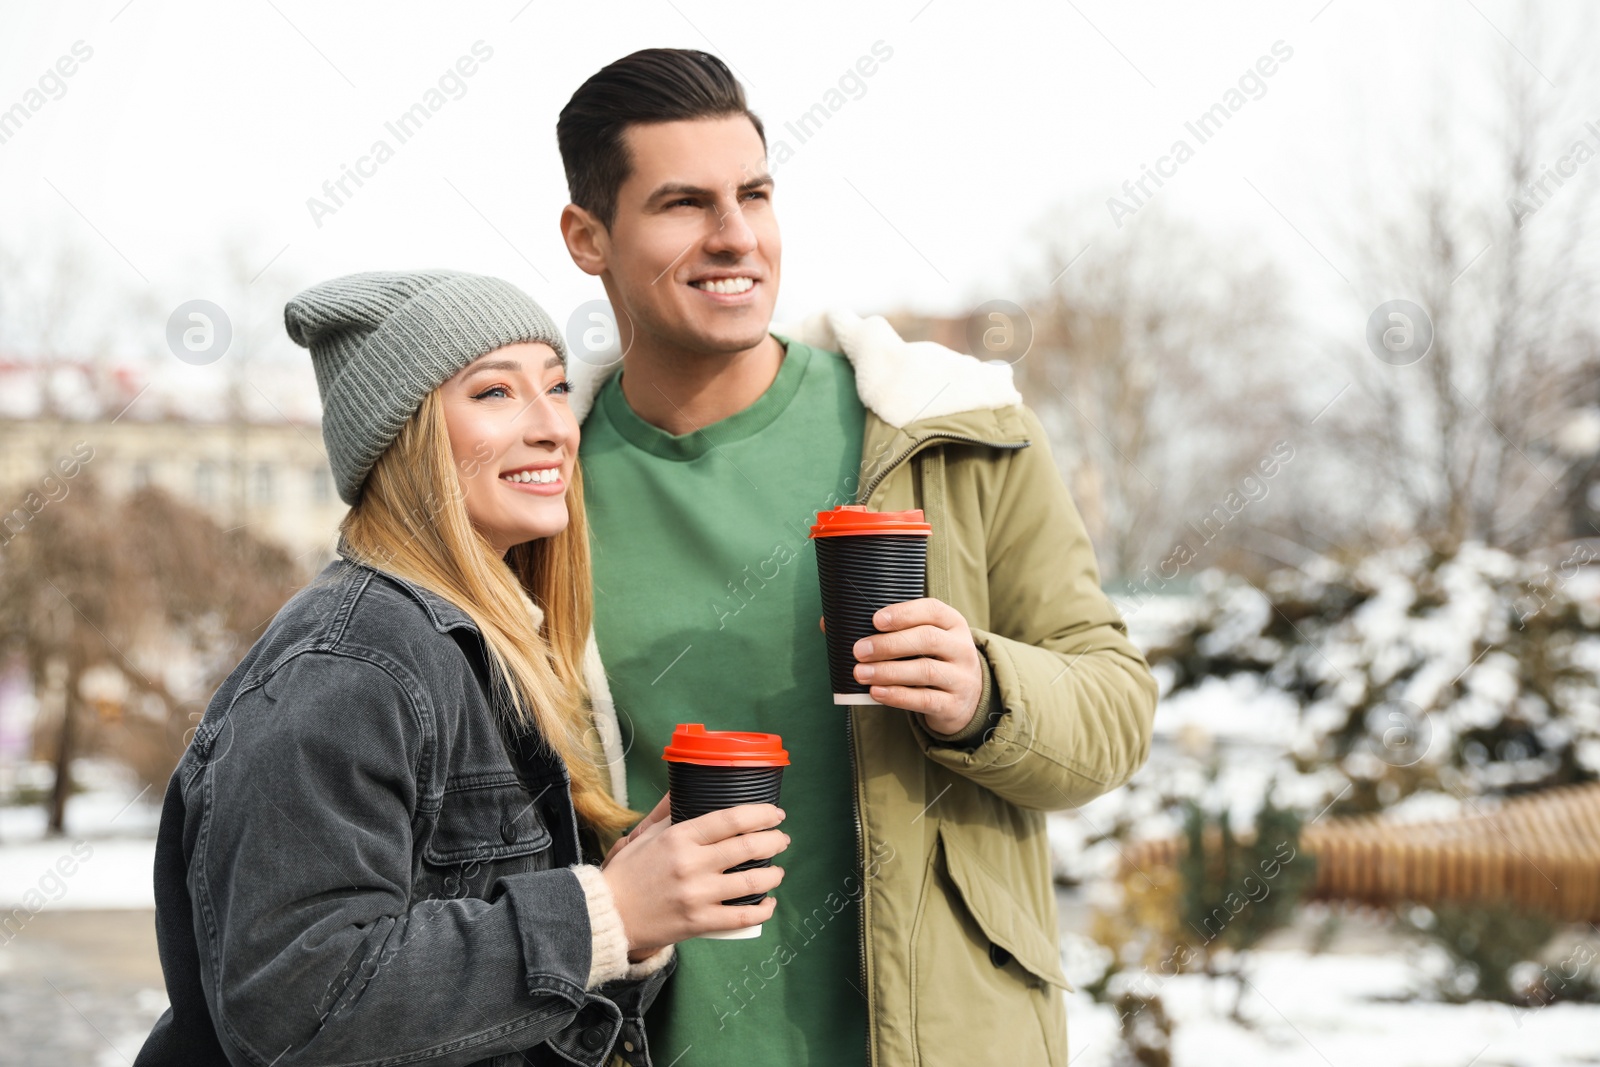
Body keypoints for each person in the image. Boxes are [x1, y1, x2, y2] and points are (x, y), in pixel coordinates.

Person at [555, 50, 1161, 1066]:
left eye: (753, 193)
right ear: (588, 238)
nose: (735, 235)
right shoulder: (541, 496)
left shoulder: (948, 427)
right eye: (682, 204)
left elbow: (1113, 711)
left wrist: (985, 690)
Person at [133, 269, 789, 1067]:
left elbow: (488, 1020)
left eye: (555, 387)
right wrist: (600, 913)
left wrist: (631, 926)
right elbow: (294, 1007)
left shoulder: (485, 648)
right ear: (403, 436)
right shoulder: (351, 664)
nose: (555, 425)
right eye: (495, 394)